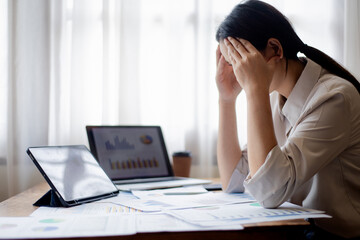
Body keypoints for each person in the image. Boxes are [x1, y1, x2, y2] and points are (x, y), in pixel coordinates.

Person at [215, 0, 360, 239]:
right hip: (298, 228)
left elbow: (269, 192)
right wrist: (226, 99)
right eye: (232, 64)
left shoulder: (335, 98)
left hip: (334, 235)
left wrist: (254, 92)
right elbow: (234, 180)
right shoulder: (274, 96)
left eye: (241, 62)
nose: (238, 73)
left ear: (274, 49)